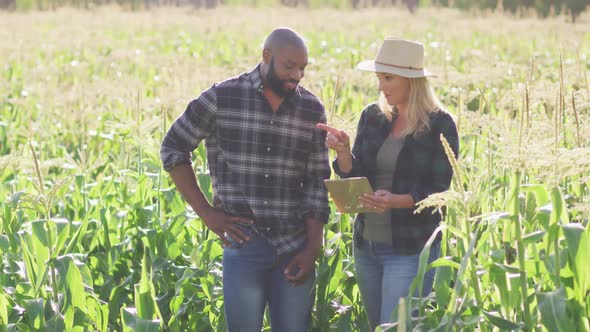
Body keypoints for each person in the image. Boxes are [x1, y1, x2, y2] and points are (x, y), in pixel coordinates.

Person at [160, 27, 331, 332]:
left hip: (294, 244)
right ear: (266, 56)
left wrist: (312, 248)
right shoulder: (222, 97)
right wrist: (207, 213)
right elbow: (173, 147)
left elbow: (318, 182)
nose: (297, 75)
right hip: (243, 243)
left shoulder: (311, 109)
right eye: (289, 66)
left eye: (303, 68)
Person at [317, 38, 459, 330]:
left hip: (409, 248)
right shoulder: (373, 116)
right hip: (366, 245)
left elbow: (440, 192)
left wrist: (395, 201)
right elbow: (356, 175)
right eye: (379, 77)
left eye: (388, 78)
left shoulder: (440, 125)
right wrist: (344, 152)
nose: (381, 85)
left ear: (412, 80)